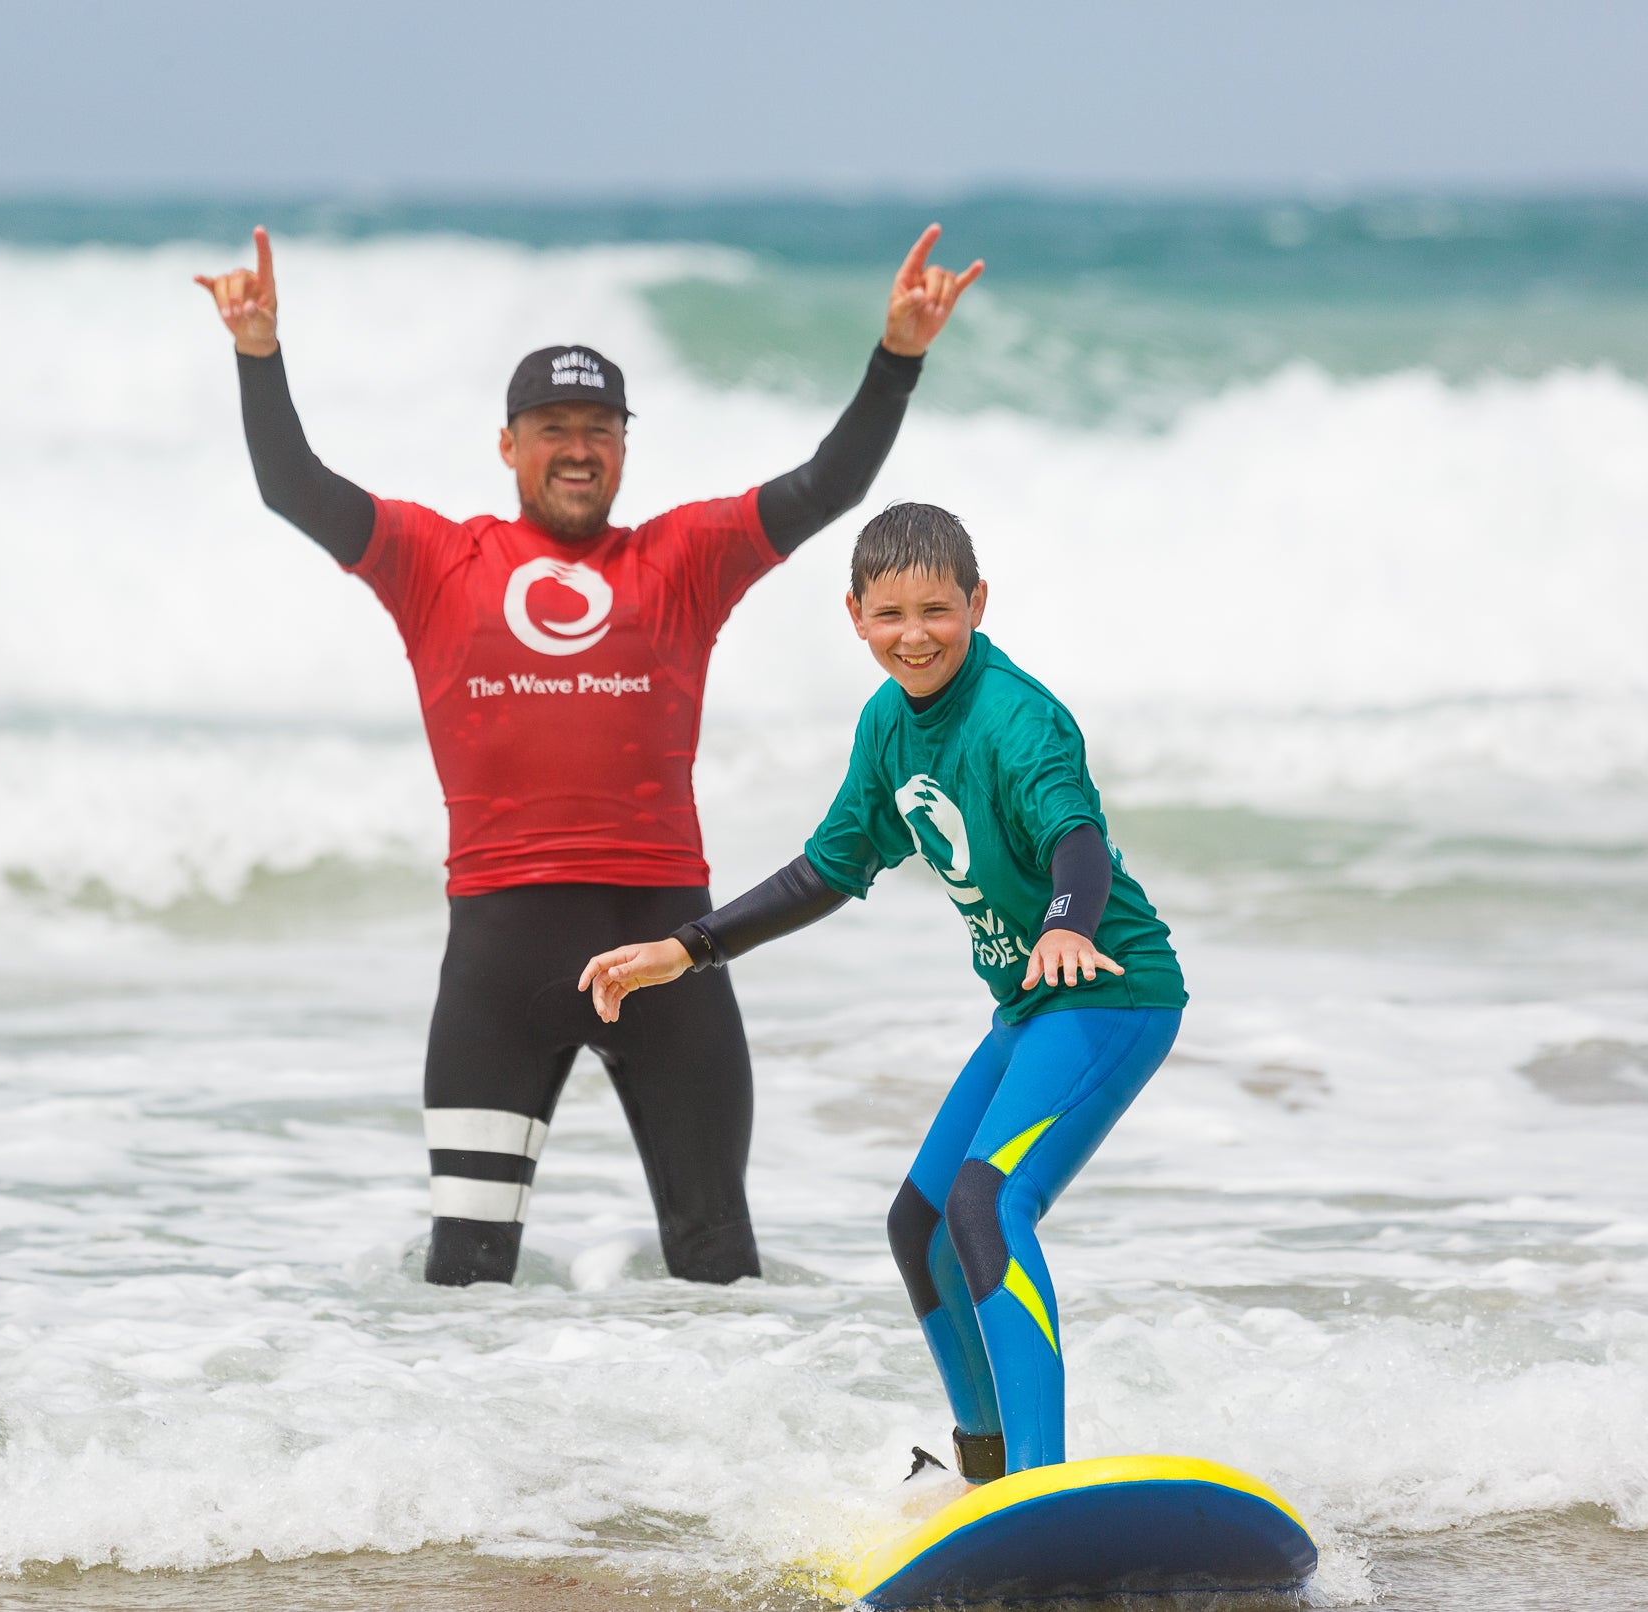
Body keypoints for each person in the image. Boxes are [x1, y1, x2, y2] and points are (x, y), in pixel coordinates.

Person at [198, 225, 983, 1286]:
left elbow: (824, 487)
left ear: (625, 445)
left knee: (718, 1265)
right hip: (498, 962)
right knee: (467, 1273)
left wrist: (898, 358)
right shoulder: (434, 558)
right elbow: (294, 486)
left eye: (602, 427)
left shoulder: (685, 558)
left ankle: (741, 1450)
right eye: (554, 427)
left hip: (669, 948)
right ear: (509, 445)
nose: (579, 447)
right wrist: (258, 350)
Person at [579, 503, 1186, 1481]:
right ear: (855, 614)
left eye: (938, 610)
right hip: (1031, 1007)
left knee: (988, 1203)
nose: (916, 635)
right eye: (891, 613)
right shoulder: (887, 726)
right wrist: (687, 949)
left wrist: (1070, 922)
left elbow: (1076, 836)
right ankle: (985, 1468)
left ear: (978, 604)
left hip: (1113, 992)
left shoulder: (1017, 719)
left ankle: (1040, 1480)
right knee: (921, 1225)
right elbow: (828, 868)